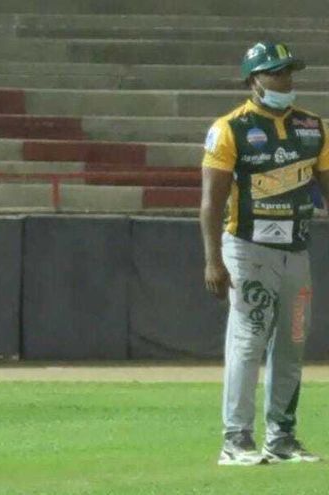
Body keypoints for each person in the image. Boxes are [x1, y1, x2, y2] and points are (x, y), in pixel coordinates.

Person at [200, 41, 329, 466]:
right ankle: (236, 439)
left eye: (289, 71)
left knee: (293, 340)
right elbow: (211, 203)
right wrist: (213, 259)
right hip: (247, 247)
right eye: (276, 72)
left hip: (297, 249)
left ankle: (281, 438)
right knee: (249, 337)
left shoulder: (314, 127)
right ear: (253, 80)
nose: (285, 79)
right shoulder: (229, 129)